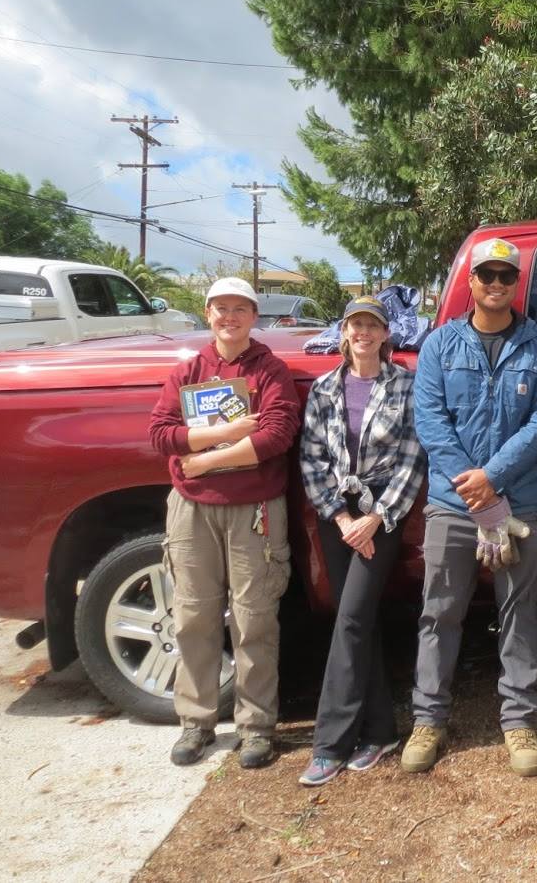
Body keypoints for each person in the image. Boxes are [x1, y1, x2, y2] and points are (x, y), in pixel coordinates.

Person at [404, 237, 537, 777]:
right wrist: (474, 489)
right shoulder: (439, 347)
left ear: (516, 284)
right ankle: (429, 718)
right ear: (470, 282)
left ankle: (518, 720)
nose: (496, 284)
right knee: (440, 612)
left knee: (519, 615)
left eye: (506, 277)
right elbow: (429, 421)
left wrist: (492, 479)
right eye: (487, 275)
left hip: (518, 504)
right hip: (452, 506)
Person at [148, 276, 300, 769]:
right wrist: (226, 431)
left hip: (253, 510)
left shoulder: (269, 370)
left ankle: (256, 727)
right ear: (208, 313)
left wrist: (205, 460)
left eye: (240, 309)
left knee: (255, 618)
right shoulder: (188, 371)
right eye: (221, 309)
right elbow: (160, 432)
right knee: (194, 616)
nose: (230, 317)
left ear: (254, 316)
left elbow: (278, 433)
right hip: (191, 509)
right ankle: (196, 722)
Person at [296, 296, 426, 786]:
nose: (364, 333)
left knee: (350, 619)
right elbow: (311, 457)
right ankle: (379, 732)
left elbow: (413, 456)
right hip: (339, 516)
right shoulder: (324, 388)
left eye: (373, 325)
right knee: (358, 620)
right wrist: (342, 516)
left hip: (381, 517)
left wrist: (376, 518)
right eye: (356, 325)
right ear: (344, 332)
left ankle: (329, 743)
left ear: (385, 333)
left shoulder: (404, 385)